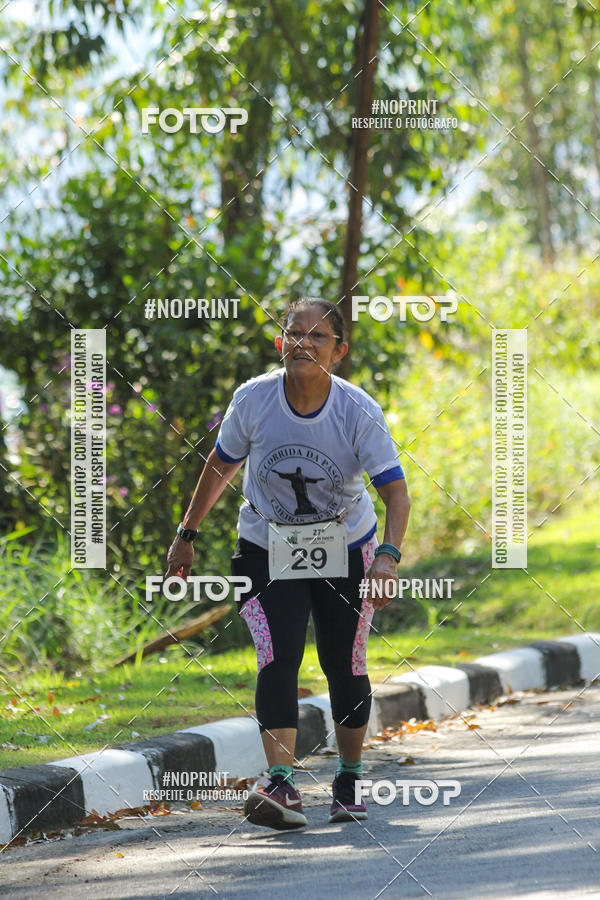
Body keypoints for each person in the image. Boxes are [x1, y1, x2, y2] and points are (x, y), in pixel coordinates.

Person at [166, 297, 411, 830]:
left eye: (318, 336)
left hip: (347, 544)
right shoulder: (253, 400)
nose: (303, 343)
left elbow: (396, 492)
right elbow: (220, 466)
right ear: (280, 344)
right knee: (275, 657)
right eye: (293, 333)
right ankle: (281, 785)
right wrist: (187, 535)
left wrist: (388, 557)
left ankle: (349, 776)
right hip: (265, 542)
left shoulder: (357, 409)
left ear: (339, 351)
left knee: (344, 662)